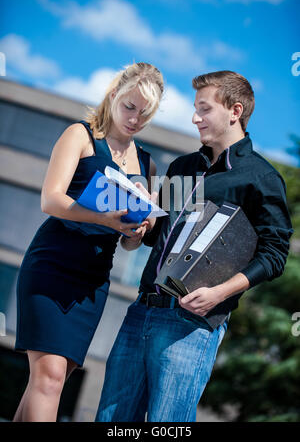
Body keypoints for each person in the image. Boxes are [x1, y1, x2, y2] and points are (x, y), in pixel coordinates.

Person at [95, 70, 293, 422]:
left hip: (192, 323)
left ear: (235, 111)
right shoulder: (182, 167)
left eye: (204, 108)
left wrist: (220, 293)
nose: (194, 117)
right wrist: (140, 217)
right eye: (194, 108)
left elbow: (275, 254)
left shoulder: (261, 178)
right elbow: (159, 234)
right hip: (141, 311)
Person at [13, 62, 164, 422]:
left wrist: (135, 231)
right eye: (129, 107)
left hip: (93, 281)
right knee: (48, 379)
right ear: (113, 95)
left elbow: (128, 244)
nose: (134, 120)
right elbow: (50, 199)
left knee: (52, 380)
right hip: (52, 264)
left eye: (145, 114)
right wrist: (102, 217)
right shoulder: (80, 135)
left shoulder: (147, 165)